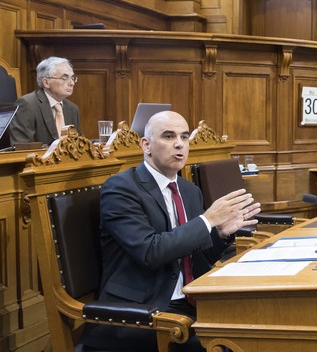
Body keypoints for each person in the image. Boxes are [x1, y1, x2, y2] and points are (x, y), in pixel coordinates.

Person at [80, 111, 260, 352]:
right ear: (146, 145)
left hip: (189, 301)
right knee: (226, 346)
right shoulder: (121, 189)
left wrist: (219, 233)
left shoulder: (188, 191)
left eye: (184, 137)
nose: (179, 144)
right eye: (168, 136)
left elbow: (198, 259)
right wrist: (206, 221)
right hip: (142, 310)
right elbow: (150, 251)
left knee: (259, 326)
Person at [9, 56, 81, 146]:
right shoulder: (27, 104)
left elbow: (78, 145)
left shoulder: (72, 109)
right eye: (64, 78)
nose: (72, 83)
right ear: (46, 82)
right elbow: (22, 147)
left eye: (73, 78)